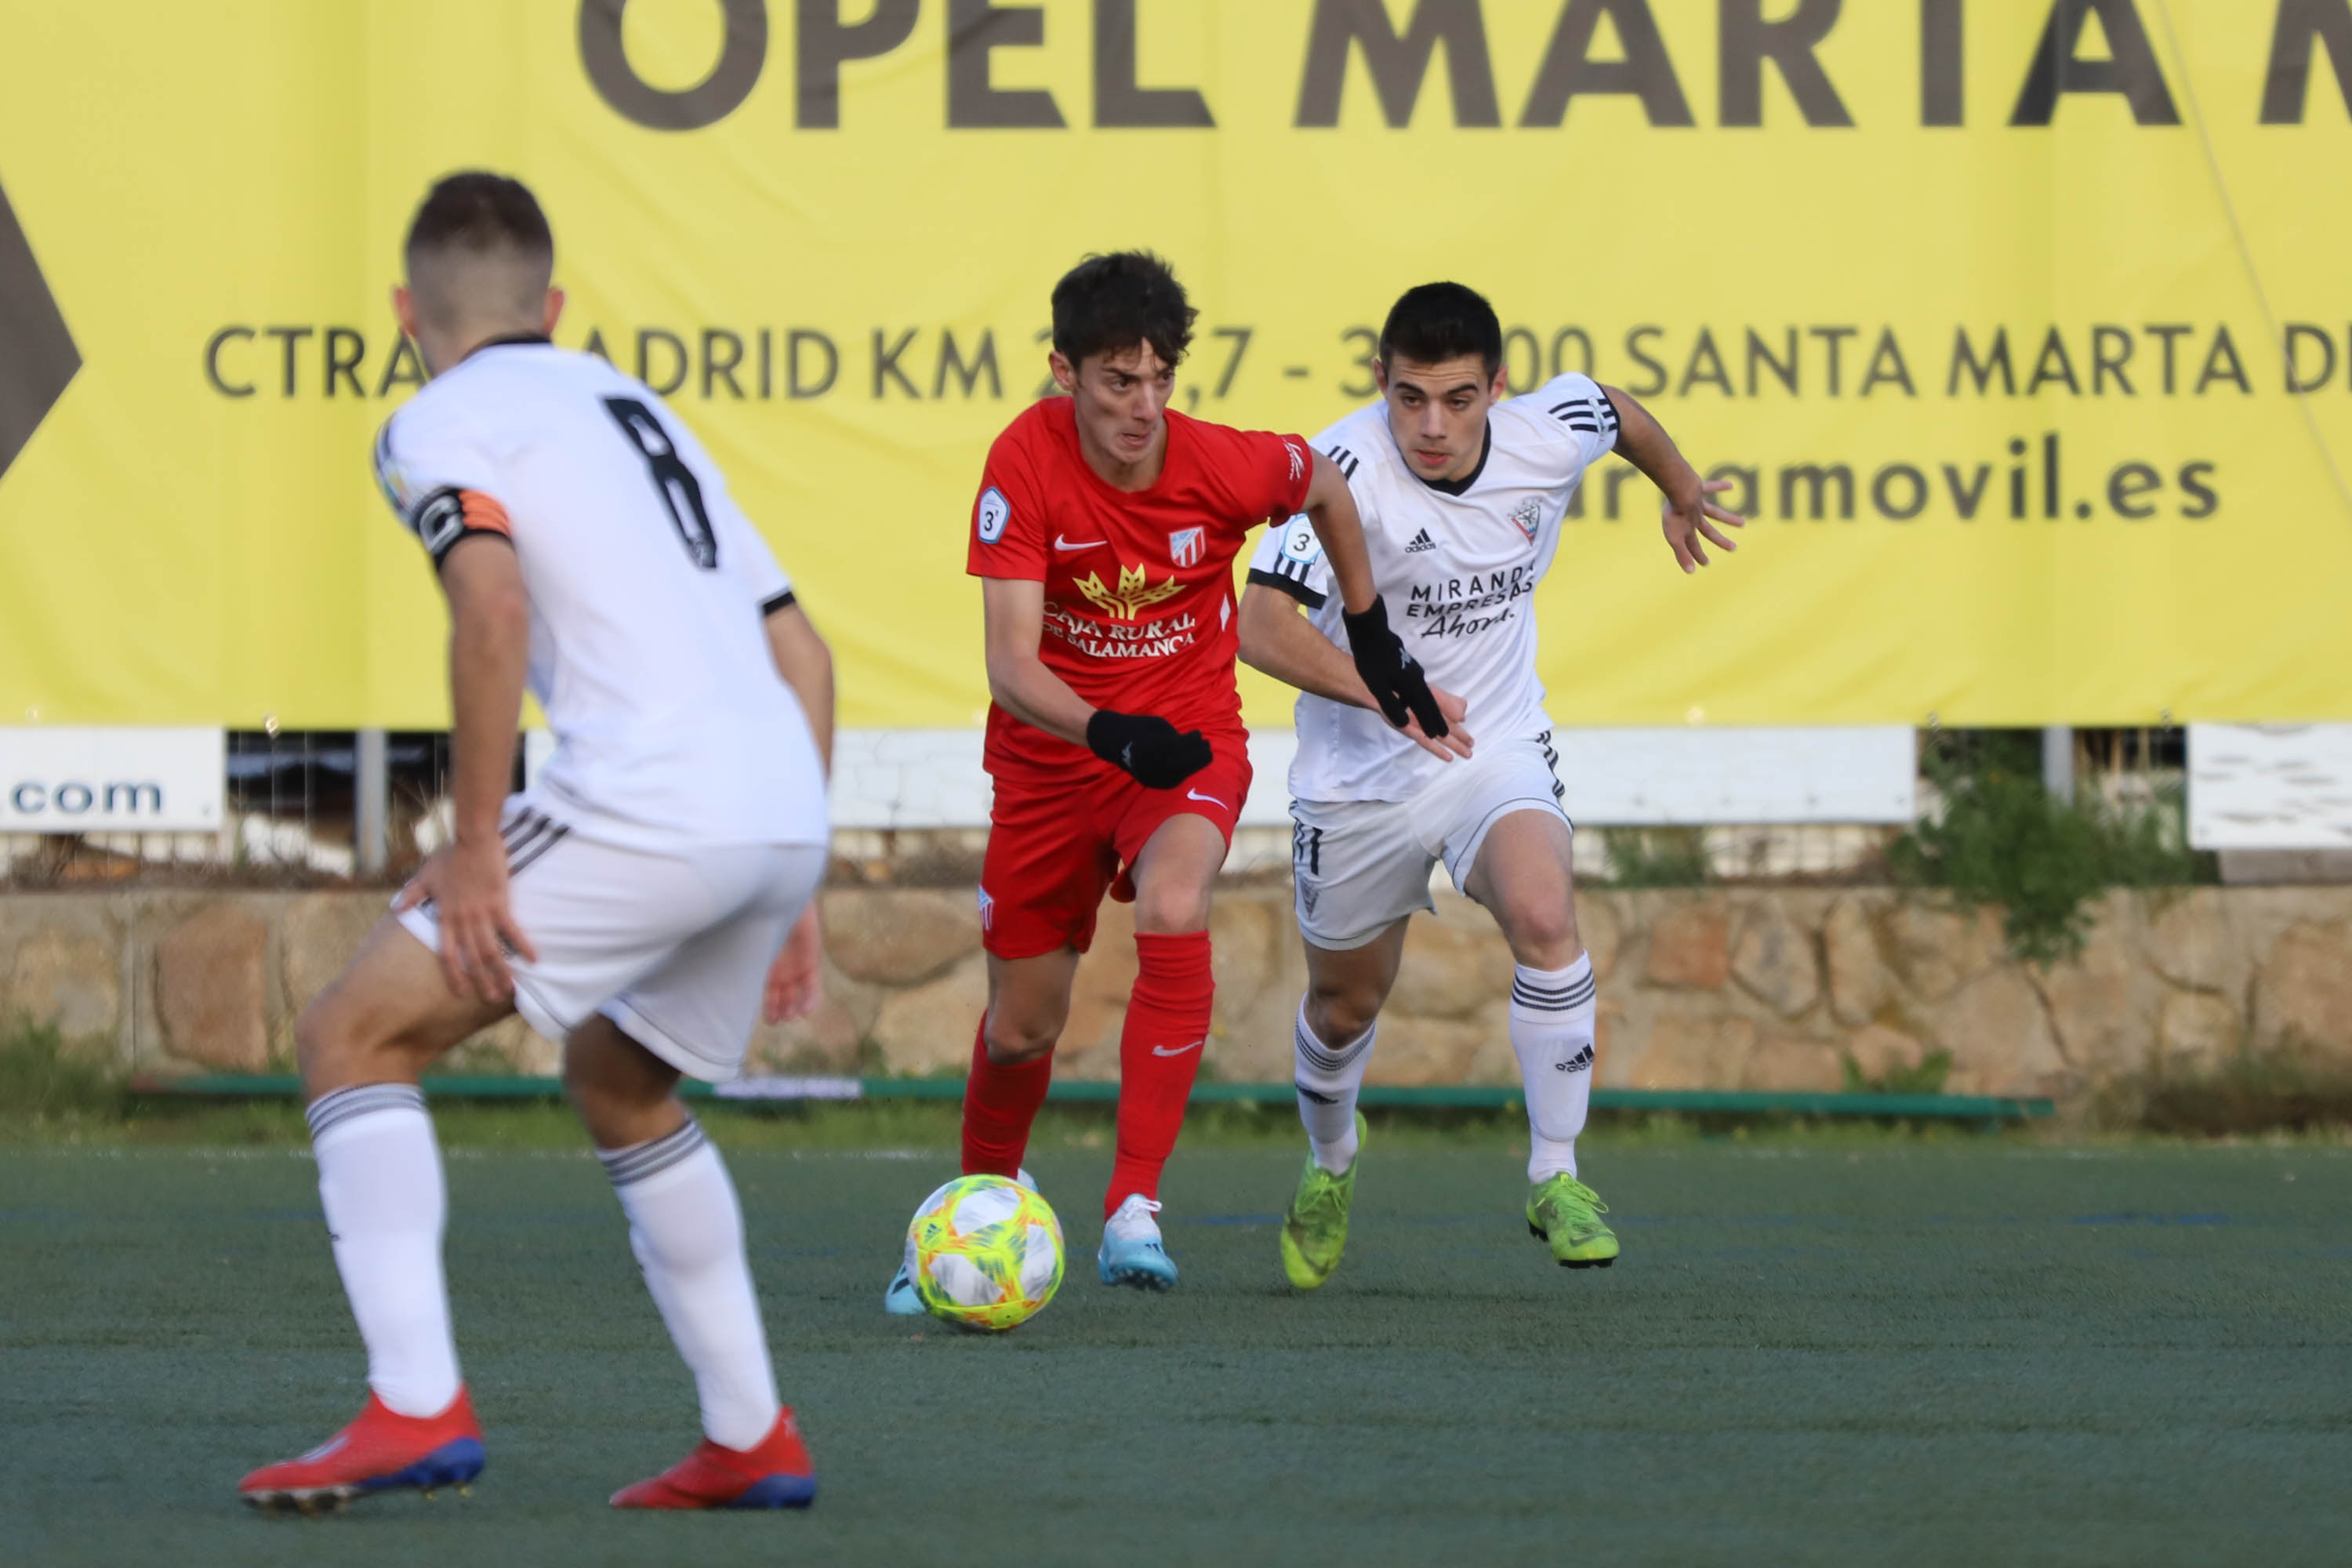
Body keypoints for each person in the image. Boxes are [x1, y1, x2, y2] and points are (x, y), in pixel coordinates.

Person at [238, 172, 836, 1512]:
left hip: (653, 800)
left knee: (351, 1036)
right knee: (622, 1077)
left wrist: (475, 850)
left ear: (406, 313)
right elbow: (807, 653)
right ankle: (750, 1435)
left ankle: (413, 1405)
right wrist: (796, 872)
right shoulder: (643, 412)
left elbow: (491, 612)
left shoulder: (435, 418)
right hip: (778, 805)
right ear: (555, 308)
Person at [886, 252, 1450, 1308]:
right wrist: (1108, 730)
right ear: (1064, 374)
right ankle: (980, 1206)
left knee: (1178, 901)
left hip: (1184, 742)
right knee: (1022, 1028)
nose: (1142, 407)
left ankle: (1133, 1206)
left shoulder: (1219, 465)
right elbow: (1011, 668)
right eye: (1116, 382)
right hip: (1056, 758)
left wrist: (1370, 633)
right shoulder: (1023, 464)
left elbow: (1326, 485)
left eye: (1159, 379)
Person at [1237, 281, 1744, 1289]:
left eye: (1459, 399)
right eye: (1410, 396)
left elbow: (1614, 409)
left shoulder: (1541, 433)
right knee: (1344, 1006)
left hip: (1491, 749)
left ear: (1497, 390)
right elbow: (1259, 624)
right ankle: (1331, 1162)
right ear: (1379, 380)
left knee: (1547, 911)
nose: (1432, 424)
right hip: (1360, 777)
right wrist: (1388, 694)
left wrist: (1680, 486)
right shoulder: (1340, 470)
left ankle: (1556, 1173)